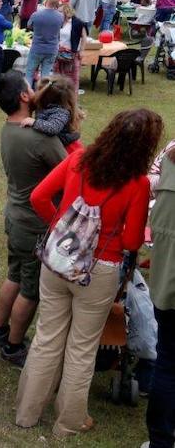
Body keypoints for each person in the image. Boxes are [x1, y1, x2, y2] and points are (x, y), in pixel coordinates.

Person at [16, 108, 161, 437]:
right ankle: (68, 422)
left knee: (46, 338)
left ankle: (26, 412)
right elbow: (133, 240)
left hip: (57, 262)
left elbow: (39, 197)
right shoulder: (136, 184)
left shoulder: (78, 160)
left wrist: (62, 229)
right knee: (81, 349)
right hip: (98, 271)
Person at [0, 72, 68, 365]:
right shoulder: (39, 138)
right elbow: (71, 170)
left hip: (15, 216)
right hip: (35, 224)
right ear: (23, 97)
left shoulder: (9, 128)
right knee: (30, 290)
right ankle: (13, 346)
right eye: (31, 87)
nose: (37, 90)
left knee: (14, 275)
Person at [146, 141, 175, 448]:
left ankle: (160, 439)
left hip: (166, 283)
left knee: (167, 360)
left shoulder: (169, 155)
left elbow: (150, 187)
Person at [20, 76, 84, 154]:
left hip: (68, 149)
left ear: (44, 97)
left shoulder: (61, 112)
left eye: (37, 90)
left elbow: (53, 128)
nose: (34, 93)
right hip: (57, 145)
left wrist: (34, 122)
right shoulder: (45, 105)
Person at [25, 0, 64, 85]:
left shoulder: (36, 14)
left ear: (46, 1)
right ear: (57, 4)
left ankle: (27, 94)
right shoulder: (60, 16)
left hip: (37, 47)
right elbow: (61, 27)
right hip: (51, 49)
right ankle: (43, 95)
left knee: (29, 73)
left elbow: (29, 25)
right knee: (45, 76)